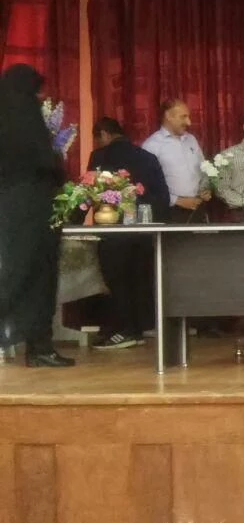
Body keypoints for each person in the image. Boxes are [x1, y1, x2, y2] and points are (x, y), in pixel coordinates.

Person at [0, 65, 75, 366]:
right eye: (36, 91)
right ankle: (39, 347)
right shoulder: (19, 123)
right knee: (21, 275)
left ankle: (41, 346)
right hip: (25, 209)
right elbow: (43, 163)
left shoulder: (22, 119)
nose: (40, 97)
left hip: (34, 209)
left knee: (40, 276)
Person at [86, 117, 169, 349]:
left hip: (114, 230)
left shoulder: (100, 157)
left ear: (104, 134)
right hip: (145, 229)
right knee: (140, 279)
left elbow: (89, 191)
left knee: (116, 281)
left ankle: (125, 330)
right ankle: (139, 327)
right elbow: (162, 197)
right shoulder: (148, 157)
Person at [142, 99, 211, 223]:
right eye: (183, 117)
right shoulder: (152, 145)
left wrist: (205, 189)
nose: (189, 122)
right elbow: (147, 184)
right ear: (168, 116)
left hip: (197, 209)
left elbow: (203, 168)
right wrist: (177, 201)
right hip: (171, 212)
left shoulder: (191, 140)